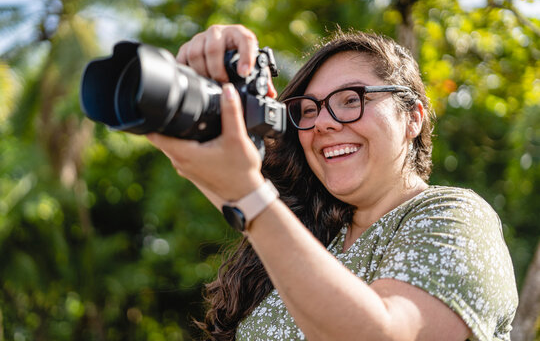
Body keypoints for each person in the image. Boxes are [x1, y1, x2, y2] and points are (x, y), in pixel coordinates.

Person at [147, 24, 518, 341]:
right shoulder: (306, 229)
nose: (323, 123)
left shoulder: (455, 216)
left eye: (350, 99)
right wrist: (194, 78)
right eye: (309, 109)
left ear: (413, 118)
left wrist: (250, 198)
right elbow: (190, 151)